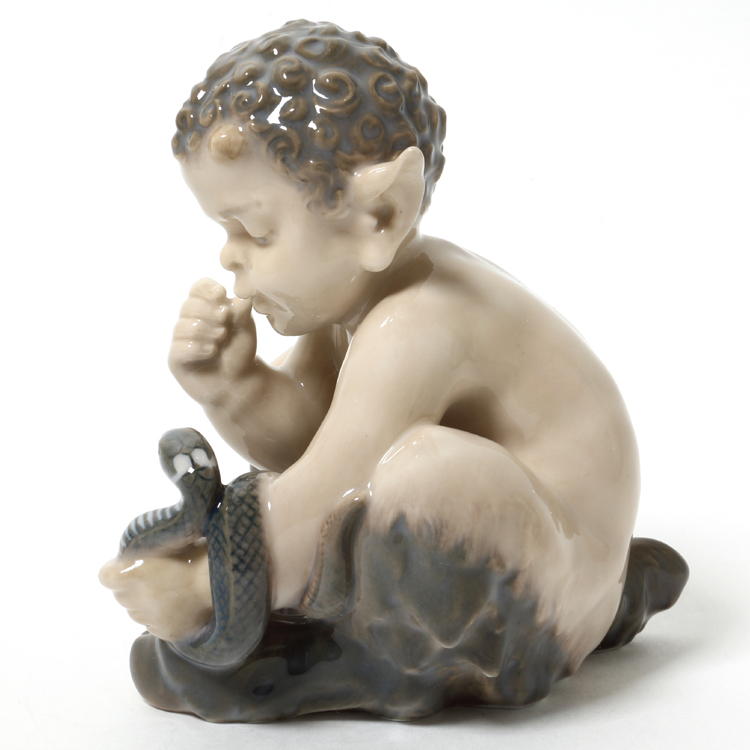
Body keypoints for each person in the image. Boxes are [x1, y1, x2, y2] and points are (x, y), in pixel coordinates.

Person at [100, 21, 685, 719]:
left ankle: (379, 668)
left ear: (380, 212)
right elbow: (311, 440)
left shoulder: (416, 325)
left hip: (545, 583)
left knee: (423, 472)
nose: (229, 257)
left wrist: (203, 590)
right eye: (224, 232)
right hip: (543, 551)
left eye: (255, 231)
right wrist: (236, 387)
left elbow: (330, 490)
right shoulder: (352, 302)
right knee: (400, 470)